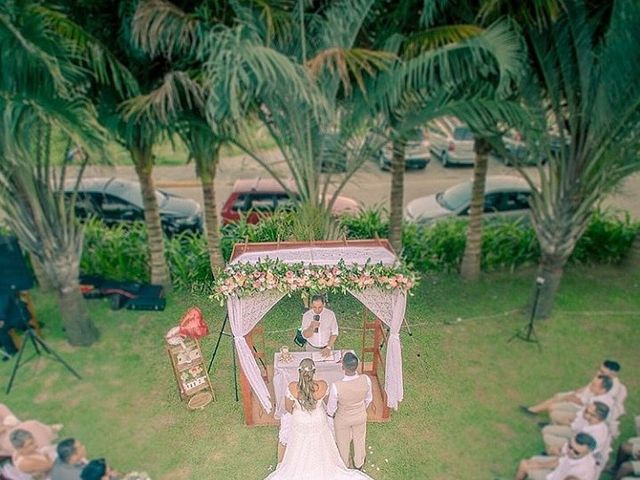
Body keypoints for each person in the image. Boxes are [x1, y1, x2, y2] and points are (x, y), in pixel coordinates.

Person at [265, 358, 373, 480]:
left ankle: (300, 464)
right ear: (314, 371)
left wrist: (300, 411)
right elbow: (327, 404)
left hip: (300, 419)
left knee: (299, 442)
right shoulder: (322, 385)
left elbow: (288, 408)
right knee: (321, 441)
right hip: (318, 418)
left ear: (299, 372)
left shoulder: (292, 387)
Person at [522, 360, 623, 416]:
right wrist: (574, 393)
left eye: (602, 371)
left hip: (584, 407)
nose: (598, 373)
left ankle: (535, 411)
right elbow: (587, 387)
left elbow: (592, 404)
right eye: (599, 369)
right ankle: (534, 409)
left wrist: (572, 398)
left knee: (556, 403)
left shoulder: (611, 389)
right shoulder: (602, 377)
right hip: (580, 398)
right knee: (558, 396)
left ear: (612, 374)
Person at [326, 352, 372, 470]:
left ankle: (344, 464)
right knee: (360, 438)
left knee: (343, 441)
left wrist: (331, 416)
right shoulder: (366, 379)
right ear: (357, 365)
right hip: (360, 415)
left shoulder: (337, 386)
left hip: (343, 418)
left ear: (342, 366)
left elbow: (331, 408)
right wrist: (360, 409)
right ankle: (359, 462)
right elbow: (368, 399)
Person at [541, 401, 610, 463]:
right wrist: (569, 424)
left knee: (548, 438)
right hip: (575, 435)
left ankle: (555, 456)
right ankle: (551, 453)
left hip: (576, 449)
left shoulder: (597, 434)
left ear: (599, 418)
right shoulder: (591, 420)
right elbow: (577, 427)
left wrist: (561, 451)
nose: (586, 414)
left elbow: (581, 453)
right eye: (586, 411)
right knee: (546, 430)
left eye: (590, 414)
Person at [515, 432, 598, 480]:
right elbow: (561, 461)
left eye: (576, 452)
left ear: (588, 452)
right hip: (556, 474)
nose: (570, 451)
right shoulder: (577, 454)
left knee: (524, 465)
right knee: (531, 462)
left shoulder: (582, 471)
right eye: (570, 446)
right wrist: (540, 465)